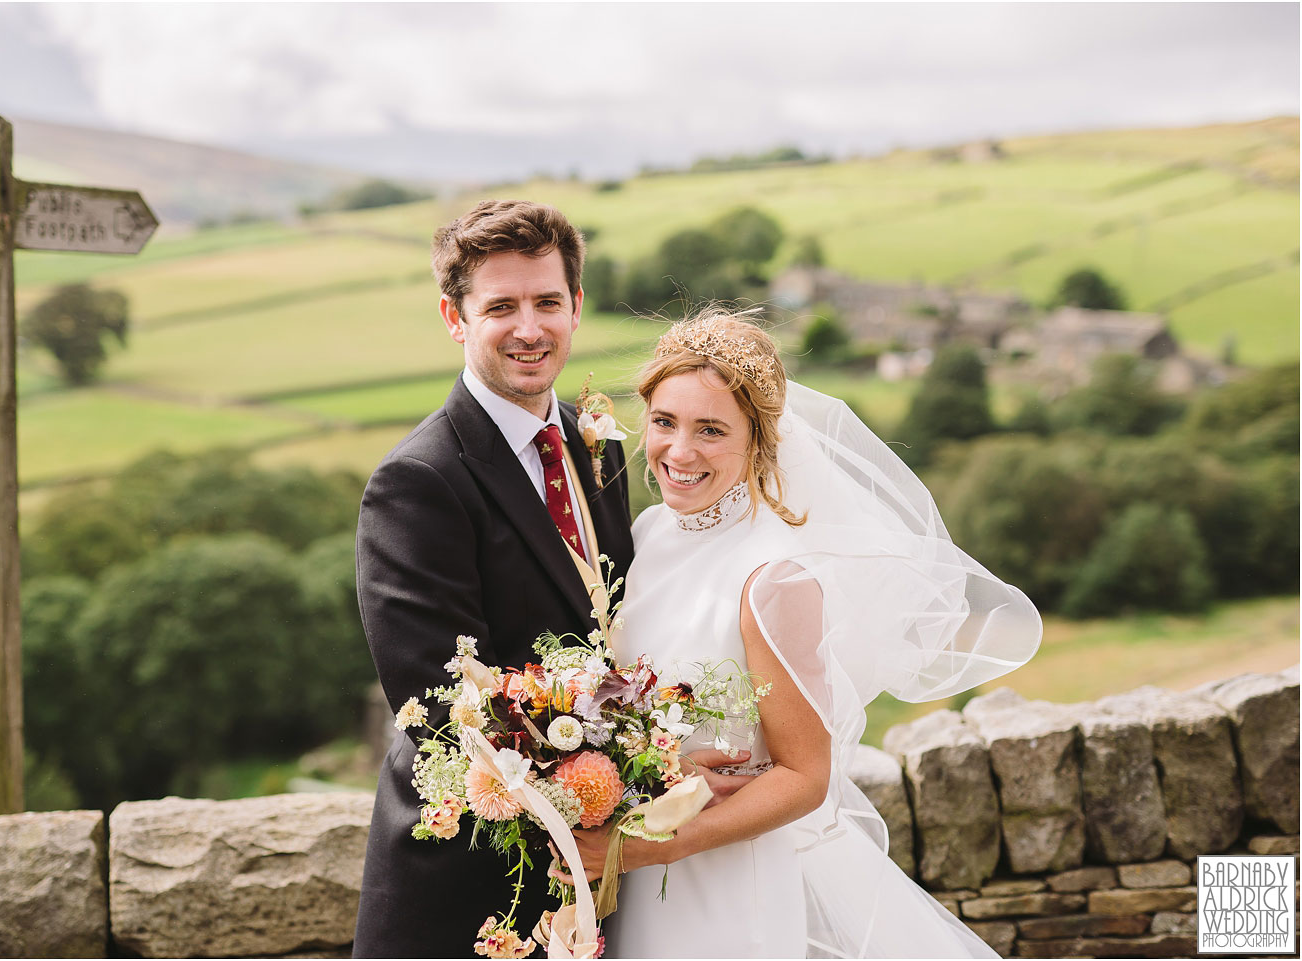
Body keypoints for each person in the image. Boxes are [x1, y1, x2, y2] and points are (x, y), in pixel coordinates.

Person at [560, 309, 1043, 958]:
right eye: (664, 422)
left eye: (711, 429)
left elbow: (804, 776)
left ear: (760, 438)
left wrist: (648, 845)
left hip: (723, 879)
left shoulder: (772, 577)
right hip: (640, 877)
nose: (679, 451)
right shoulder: (649, 536)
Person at [351, 199, 643, 958]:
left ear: (576, 306)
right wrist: (619, 758)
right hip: (471, 883)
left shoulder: (597, 446)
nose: (529, 328)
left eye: (548, 301)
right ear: (455, 317)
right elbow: (445, 703)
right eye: (500, 306)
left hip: (601, 869)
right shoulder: (417, 481)